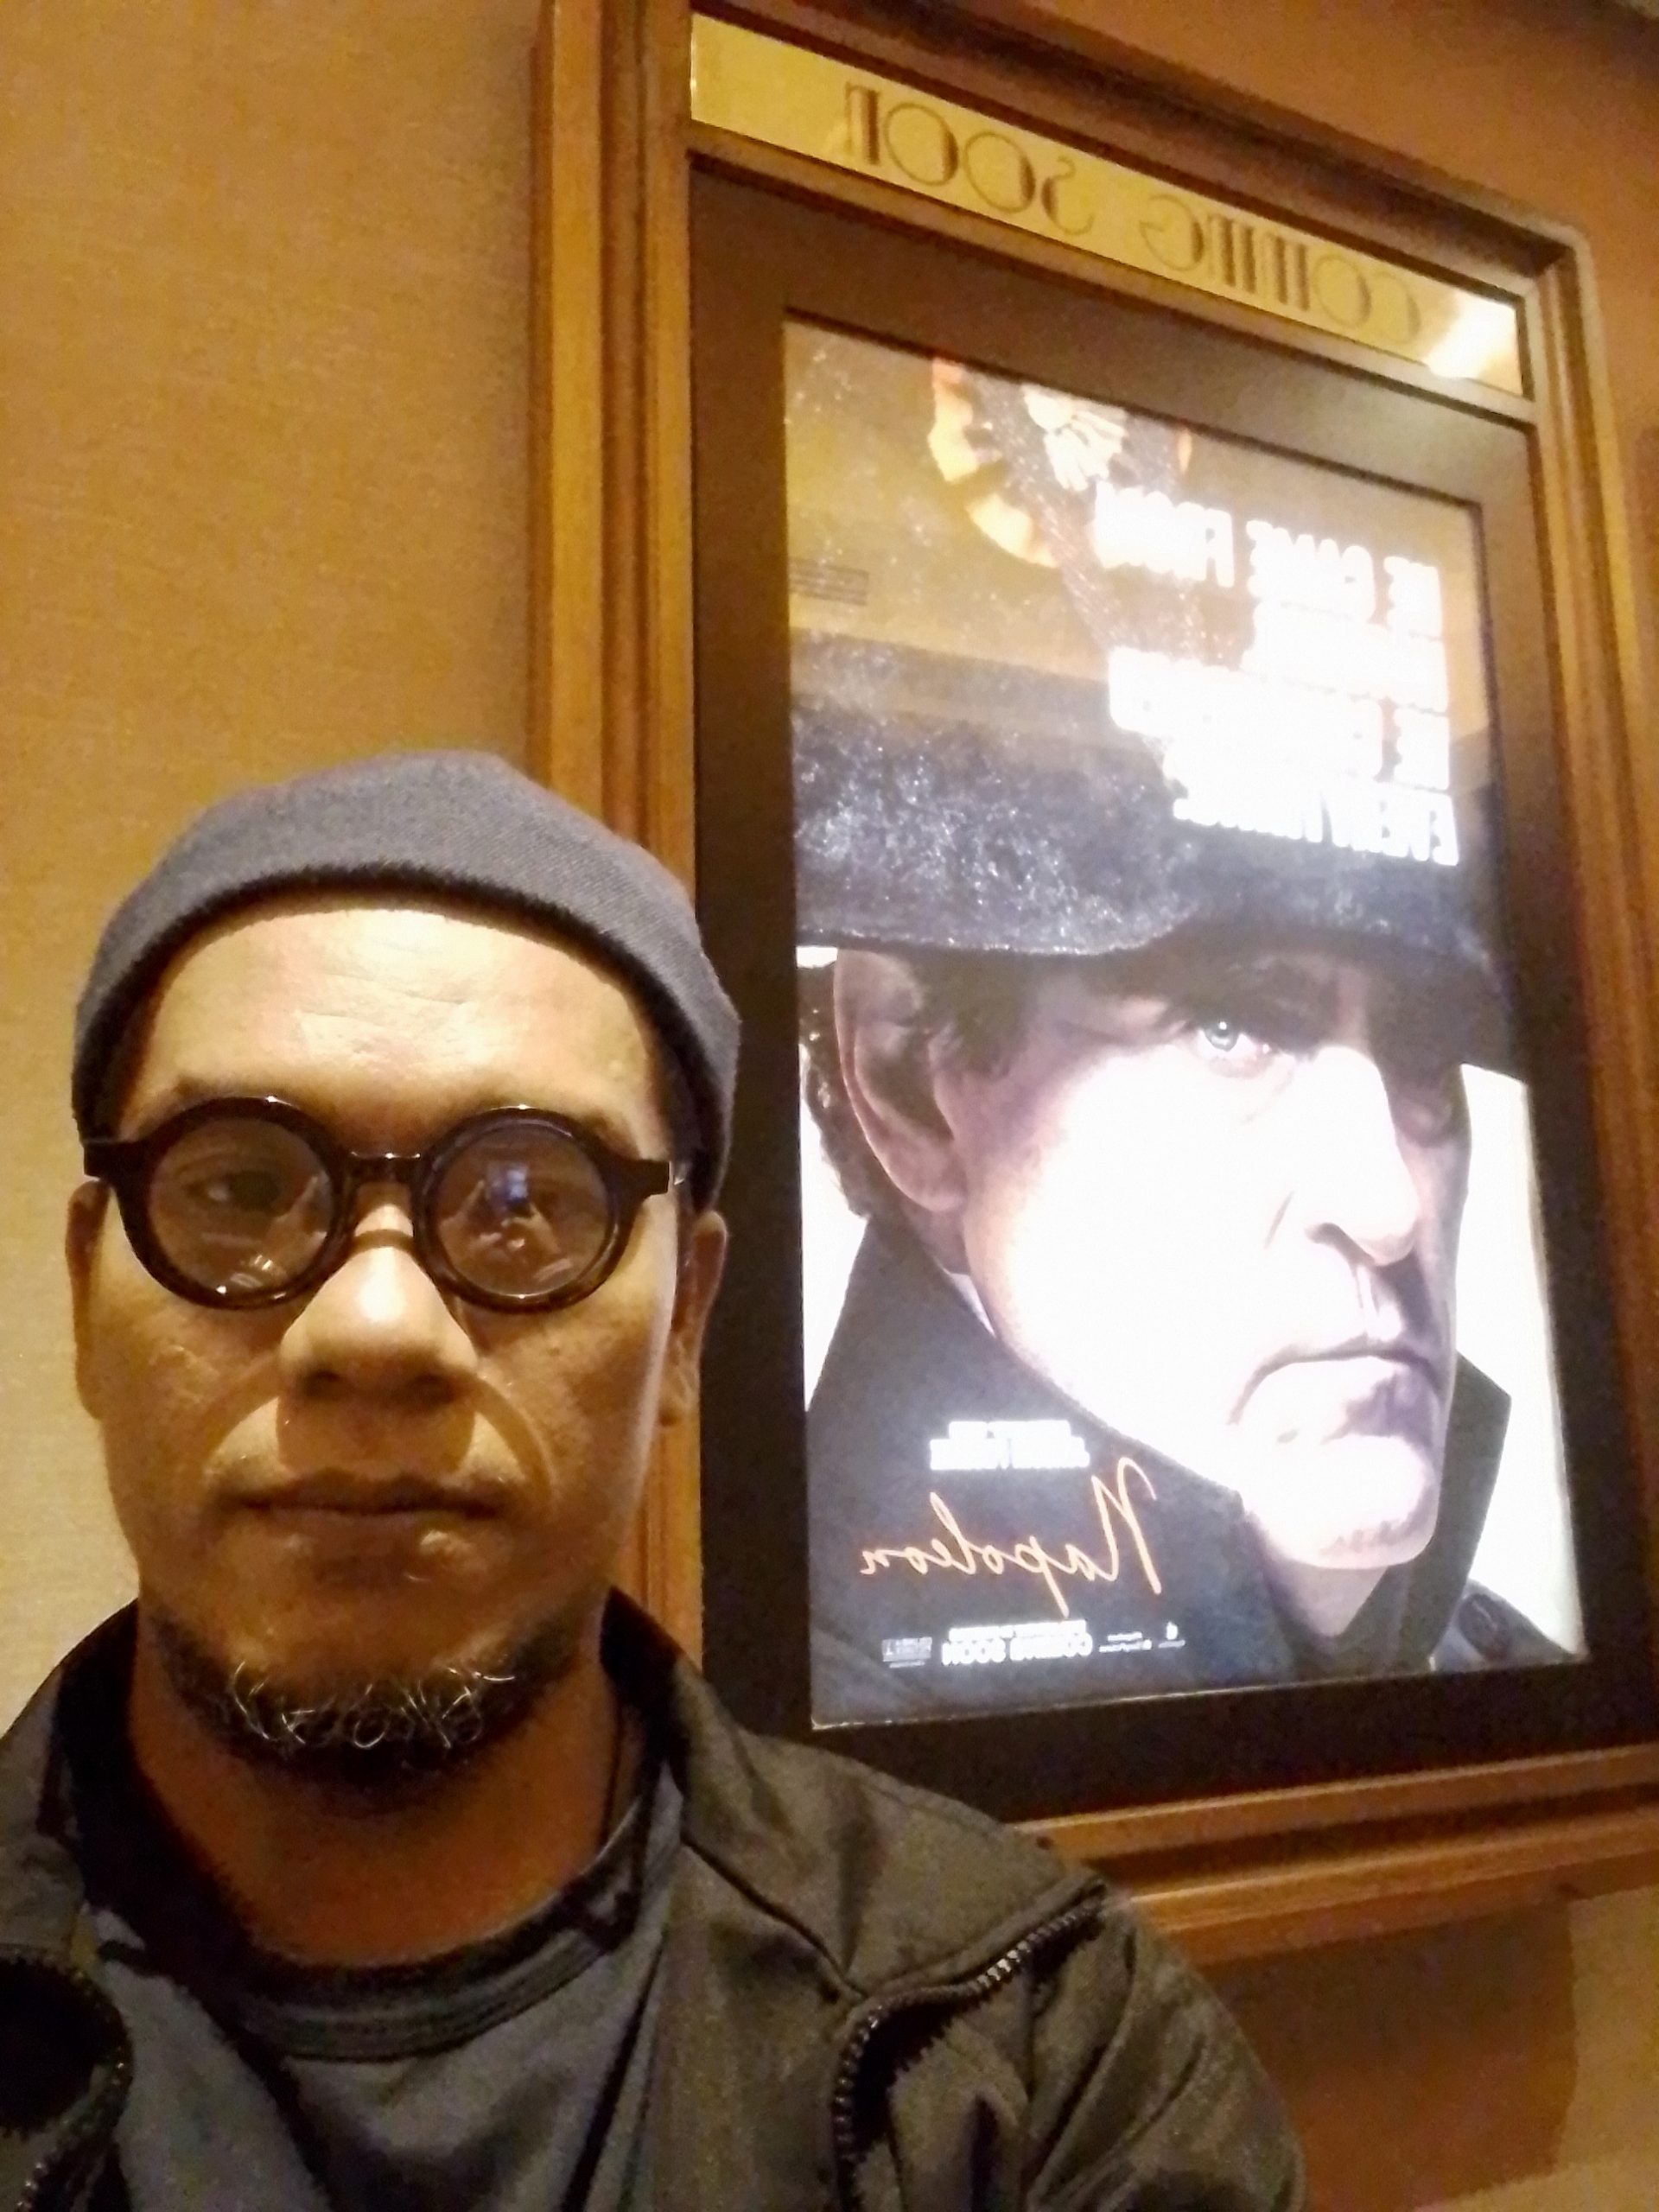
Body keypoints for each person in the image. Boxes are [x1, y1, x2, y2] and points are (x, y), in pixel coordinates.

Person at [0, 751, 1302, 2210]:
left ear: (686, 1321)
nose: (374, 1328)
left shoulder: (1044, 2063)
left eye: (522, 1201)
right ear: (84, 1292)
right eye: (240, 1188)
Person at [792, 361, 1569, 1720]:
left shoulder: (1502, 1678)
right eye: (1230, 1027)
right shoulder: (823, 1744)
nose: (1389, 1203)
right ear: (911, 1079)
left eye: (1421, 1056)